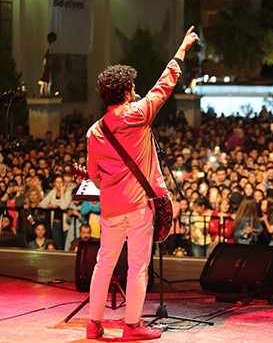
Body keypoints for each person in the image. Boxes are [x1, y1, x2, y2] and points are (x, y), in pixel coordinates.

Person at [85, 27, 198, 340]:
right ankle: (132, 326)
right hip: (138, 209)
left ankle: (94, 325)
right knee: (137, 268)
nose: (136, 90)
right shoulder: (140, 113)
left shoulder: (94, 132)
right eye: (132, 87)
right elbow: (166, 83)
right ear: (125, 91)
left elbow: (94, 174)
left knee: (102, 265)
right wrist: (182, 48)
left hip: (109, 209)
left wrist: (111, 182)